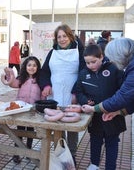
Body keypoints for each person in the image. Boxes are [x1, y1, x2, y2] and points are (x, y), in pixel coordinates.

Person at [82, 37, 134, 170]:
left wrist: (94, 108)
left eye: (112, 57)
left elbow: (121, 98)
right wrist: (119, 112)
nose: (112, 62)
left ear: (120, 55)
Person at [73, 44, 126, 170]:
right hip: (94, 115)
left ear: (101, 57)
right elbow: (79, 91)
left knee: (112, 143)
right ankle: (94, 164)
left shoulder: (114, 69)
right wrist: (84, 101)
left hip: (112, 114)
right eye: (87, 63)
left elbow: (123, 90)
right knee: (95, 141)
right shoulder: (83, 73)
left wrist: (117, 107)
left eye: (93, 61)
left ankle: (110, 167)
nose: (91, 65)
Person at [39, 24, 86, 163]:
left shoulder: (79, 51)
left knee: (71, 124)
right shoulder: (52, 52)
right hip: (55, 93)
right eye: (59, 37)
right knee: (57, 123)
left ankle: (72, 154)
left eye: (64, 36)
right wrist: (46, 85)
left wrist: (76, 92)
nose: (62, 39)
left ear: (70, 36)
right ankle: (61, 154)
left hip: (72, 93)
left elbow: (83, 73)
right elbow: (44, 72)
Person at [1, 56, 42, 163]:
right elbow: (12, 83)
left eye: (34, 65)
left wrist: (42, 106)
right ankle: (17, 153)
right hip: (21, 110)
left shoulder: (40, 80)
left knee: (30, 131)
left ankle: (28, 152)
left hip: (33, 111)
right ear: (25, 67)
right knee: (19, 131)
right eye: (29, 65)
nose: (32, 68)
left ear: (38, 67)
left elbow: (43, 95)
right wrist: (9, 75)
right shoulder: (21, 79)